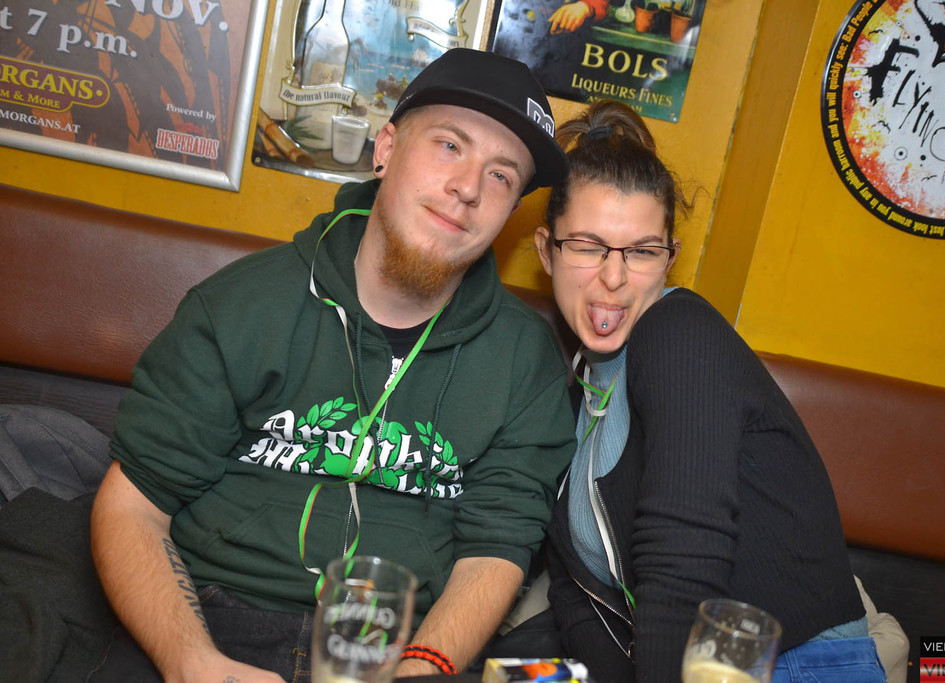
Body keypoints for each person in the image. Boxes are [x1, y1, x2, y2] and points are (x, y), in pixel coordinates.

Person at [89, 48, 577, 682]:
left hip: (406, 645)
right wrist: (192, 662)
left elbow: (497, 546)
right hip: (213, 622)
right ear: (386, 148)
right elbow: (132, 509)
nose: (468, 188)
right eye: (449, 146)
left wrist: (423, 668)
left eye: (502, 176)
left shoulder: (525, 359)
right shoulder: (240, 306)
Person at [533, 100, 888, 682]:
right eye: (589, 246)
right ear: (547, 250)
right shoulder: (573, 389)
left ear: (670, 258)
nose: (614, 277)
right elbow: (576, 597)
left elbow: (683, 565)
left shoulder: (680, 332)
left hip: (795, 664)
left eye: (642, 251)